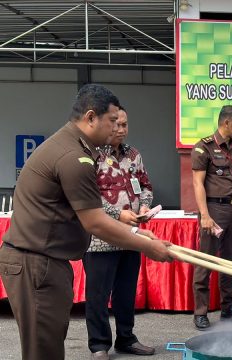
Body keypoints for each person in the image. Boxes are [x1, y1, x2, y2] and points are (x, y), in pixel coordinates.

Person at [0, 84, 173, 360]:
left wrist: (138, 234)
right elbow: (96, 222)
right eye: (112, 121)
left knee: (48, 345)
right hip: (34, 263)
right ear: (91, 117)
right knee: (42, 352)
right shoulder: (75, 157)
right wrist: (146, 246)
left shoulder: (73, 147)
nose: (117, 128)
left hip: (42, 262)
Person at [83, 106, 155, 359]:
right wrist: (117, 214)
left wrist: (145, 204)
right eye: (116, 124)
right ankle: (99, 345)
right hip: (100, 238)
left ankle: (126, 338)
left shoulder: (133, 154)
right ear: (105, 123)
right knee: (98, 296)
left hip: (131, 235)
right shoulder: (91, 154)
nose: (122, 129)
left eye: (125, 124)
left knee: (126, 293)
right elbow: (87, 196)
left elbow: (145, 185)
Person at [191, 105, 232, 330]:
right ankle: (201, 311)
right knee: (205, 260)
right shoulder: (203, 147)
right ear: (226, 123)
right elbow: (197, 183)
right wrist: (204, 215)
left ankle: (228, 308)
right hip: (214, 209)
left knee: (231, 261)